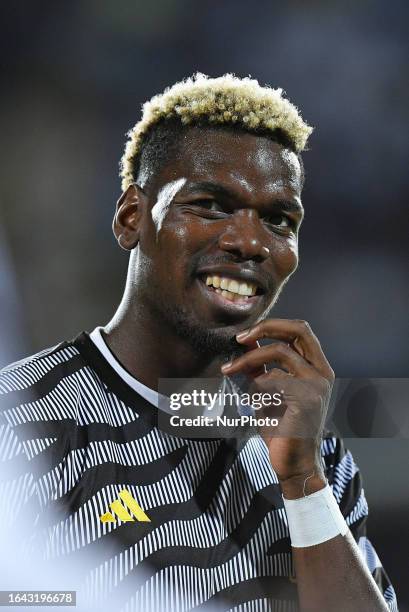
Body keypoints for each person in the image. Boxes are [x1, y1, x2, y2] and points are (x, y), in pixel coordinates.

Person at [0, 73, 398, 611]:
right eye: (211, 205)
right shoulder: (16, 424)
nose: (249, 242)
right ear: (131, 217)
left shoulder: (315, 450)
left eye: (279, 220)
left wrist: (303, 482)